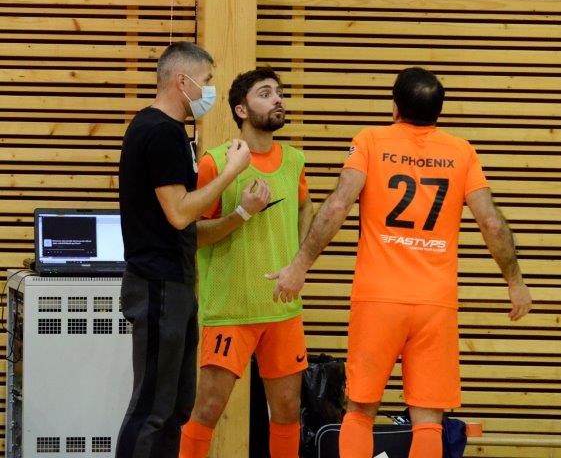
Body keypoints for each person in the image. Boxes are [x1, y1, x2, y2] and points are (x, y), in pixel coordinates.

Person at [268, 67, 532, 458]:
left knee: (360, 411)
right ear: (439, 111)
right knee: (428, 419)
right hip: (434, 303)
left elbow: (337, 206)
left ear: (394, 107)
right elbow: (491, 222)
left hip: (378, 299)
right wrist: (515, 282)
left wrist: (299, 267)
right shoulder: (462, 152)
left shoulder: (370, 141)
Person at [116, 41, 251, 458]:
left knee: (176, 406)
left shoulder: (171, 132)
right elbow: (178, 213)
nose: (209, 90)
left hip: (175, 281)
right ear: (182, 81)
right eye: (206, 81)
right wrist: (230, 173)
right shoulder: (159, 131)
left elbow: (183, 222)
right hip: (157, 284)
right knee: (151, 408)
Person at [178, 67, 314, 458]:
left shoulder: (295, 160)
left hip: (281, 308)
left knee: (287, 411)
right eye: (265, 93)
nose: (278, 99)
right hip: (230, 311)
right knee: (207, 410)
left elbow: (306, 207)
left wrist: (299, 262)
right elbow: (194, 233)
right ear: (241, 109)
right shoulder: (216, 161)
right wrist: (242, 213)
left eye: (279, 93)